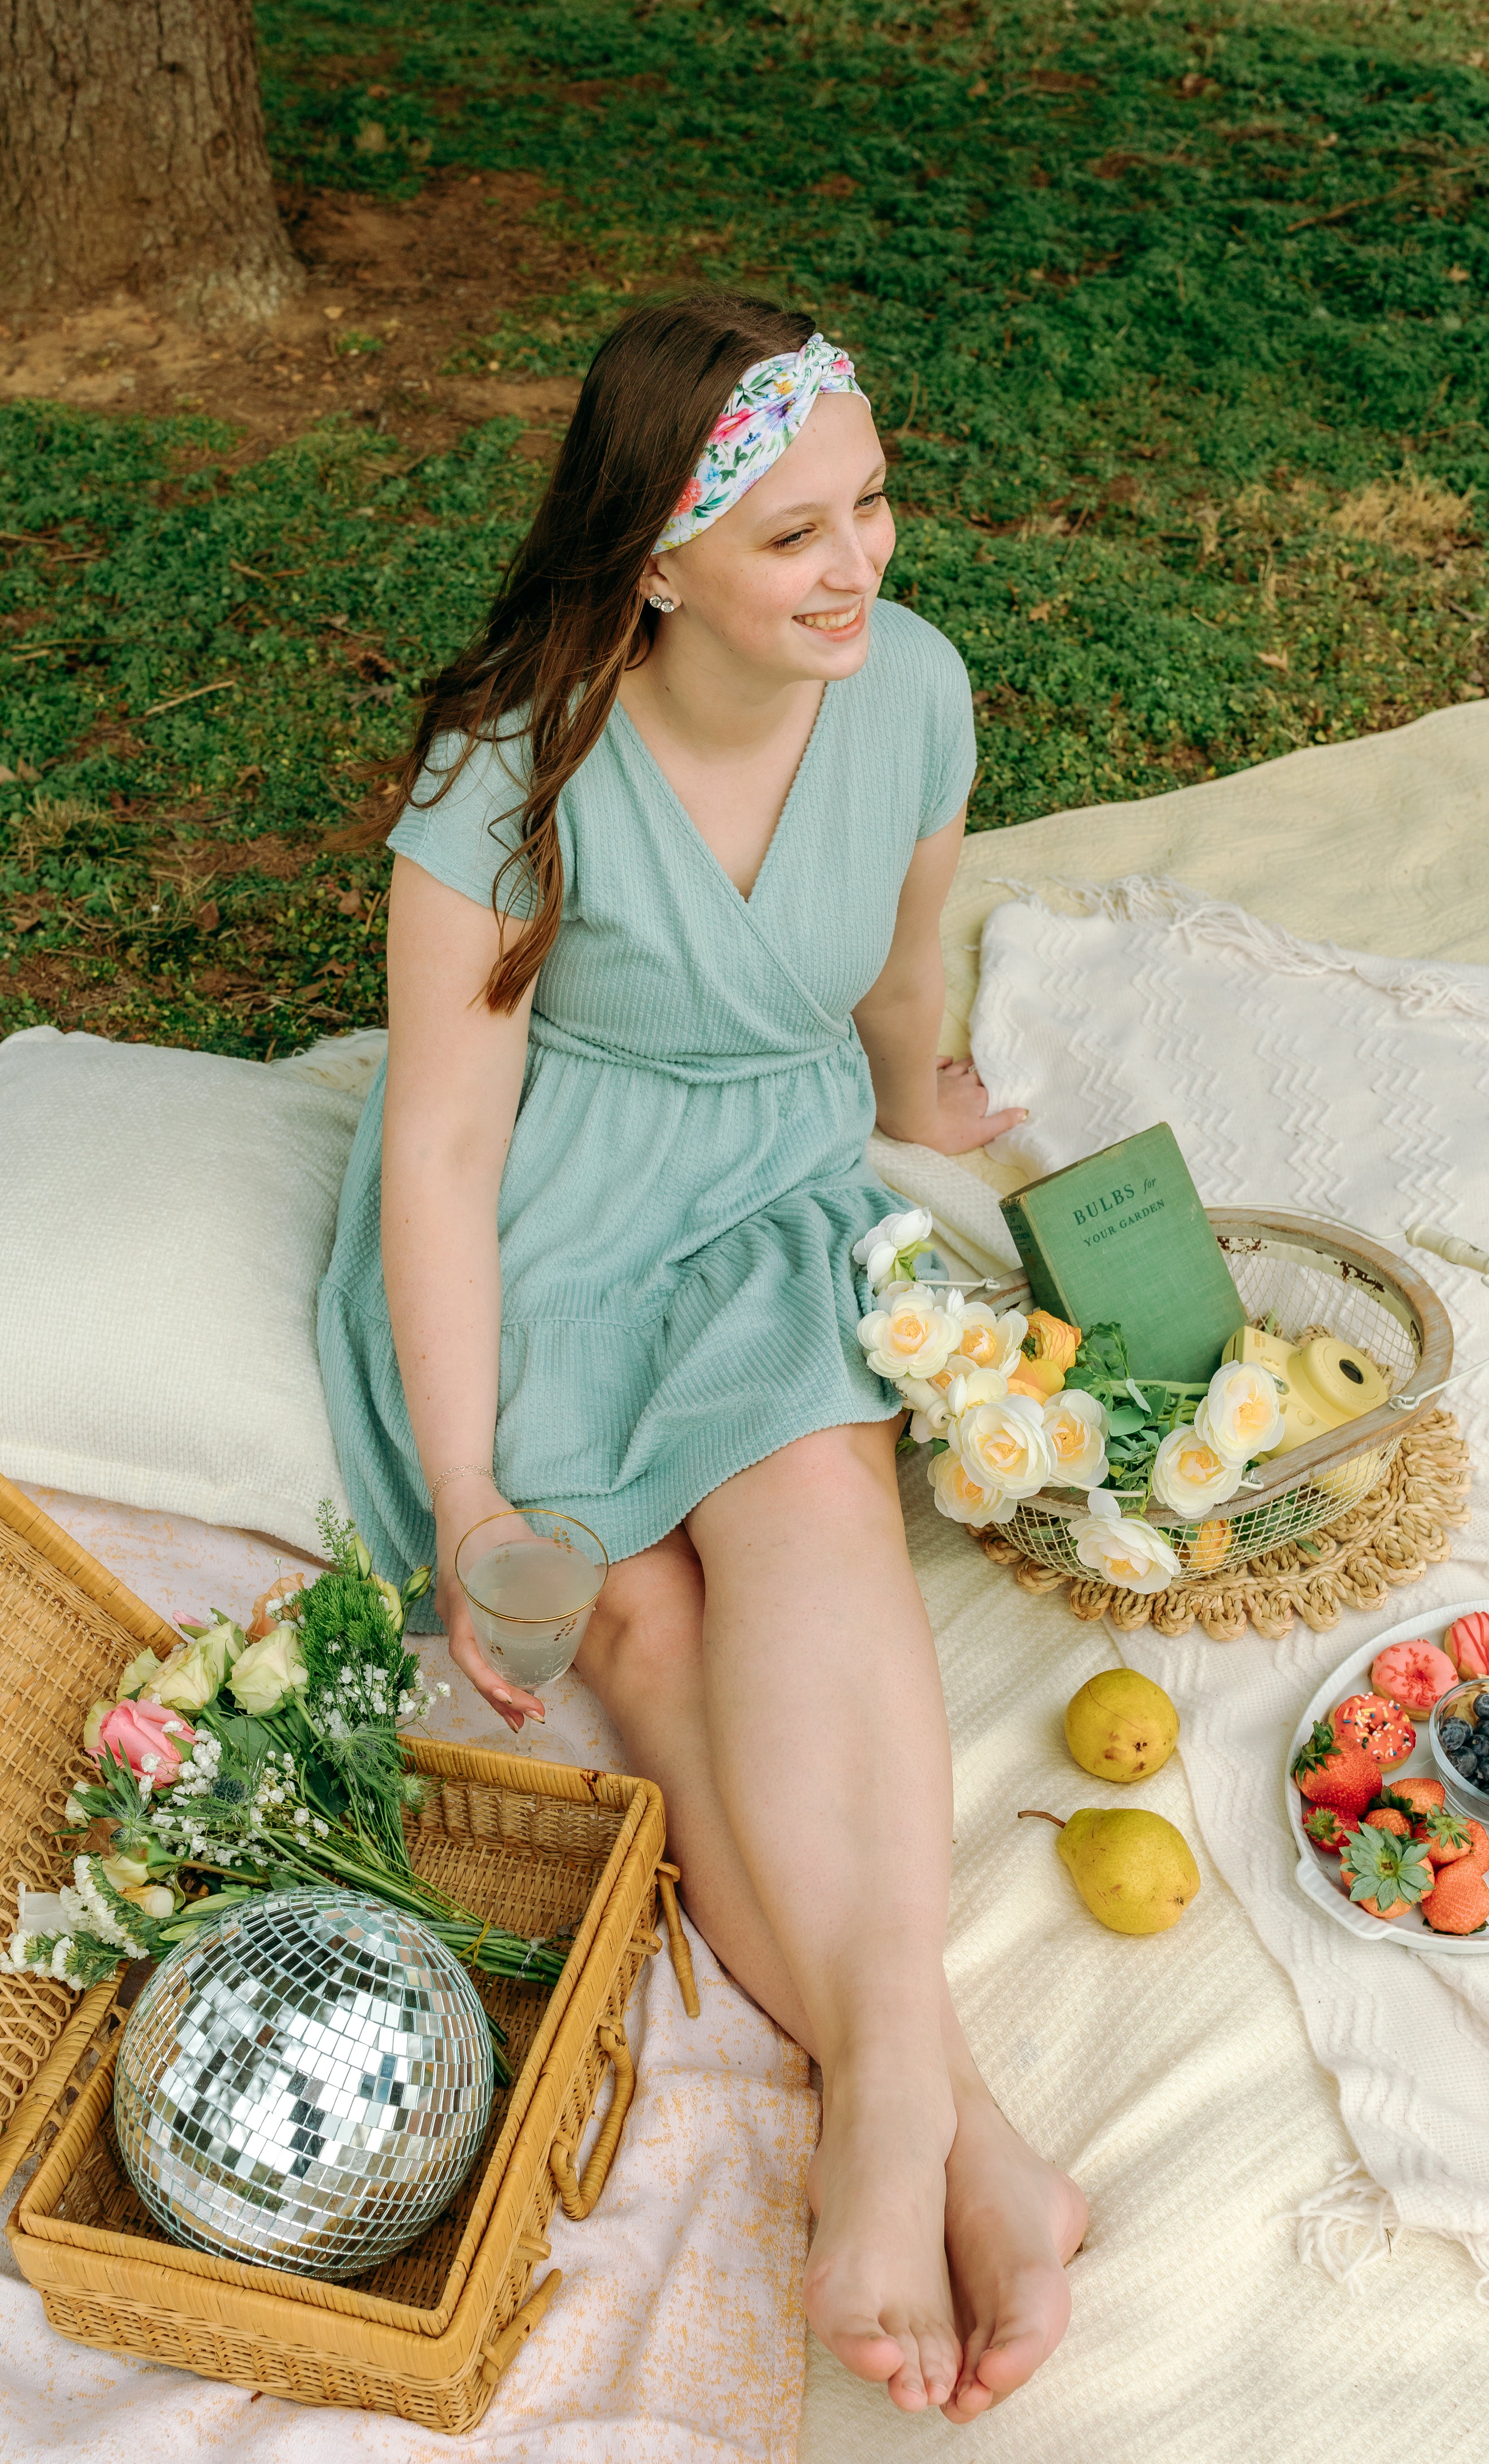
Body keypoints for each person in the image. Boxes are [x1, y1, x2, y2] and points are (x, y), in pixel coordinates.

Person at [319, 290, 1085, 2420]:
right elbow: (443, 1151)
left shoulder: (911, 688)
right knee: (637, 1636)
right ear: (659, 559)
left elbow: (902, 962)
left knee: (817, 1500)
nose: (861, 566)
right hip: (547, 1225)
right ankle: (964, 2132)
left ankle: (881, 2124)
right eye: (795, 536)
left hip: (761, 1198)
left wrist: (921, 1096)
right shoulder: (514, 765)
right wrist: (471, 1492)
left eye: (875, 508)